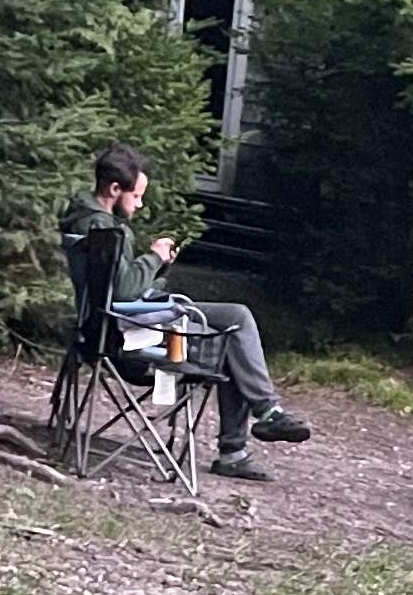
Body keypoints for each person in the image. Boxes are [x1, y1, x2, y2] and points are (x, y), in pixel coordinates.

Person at [60, 146, 309, 476]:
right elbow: (122, 291)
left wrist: (155, 274)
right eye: (136, 196)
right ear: (115, 190)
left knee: (231, 332)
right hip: (129, 341)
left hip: (104, 332)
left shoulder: (86, 222)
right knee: (235, 322)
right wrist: (155, 257)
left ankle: (250, 434)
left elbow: (113, 289)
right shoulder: (105, 230)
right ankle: (255, 426)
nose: (140, 204)